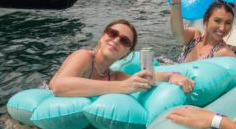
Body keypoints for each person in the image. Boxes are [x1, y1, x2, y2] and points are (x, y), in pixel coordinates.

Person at [49, 19, 194, 96]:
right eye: (112, 33)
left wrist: (173, 75)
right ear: (102, 36)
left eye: (125, 41)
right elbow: (58, 86)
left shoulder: (115, 76)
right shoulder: (85, 57)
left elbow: (148, 78)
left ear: (126, 53)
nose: (116, 40)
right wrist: (122, 87)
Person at [162, 0, 236, 61]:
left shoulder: (225, 54)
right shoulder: (193, 36)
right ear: (206, 21)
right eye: (217, 21)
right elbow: (177, 33)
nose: (222, 28)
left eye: (228, 23)